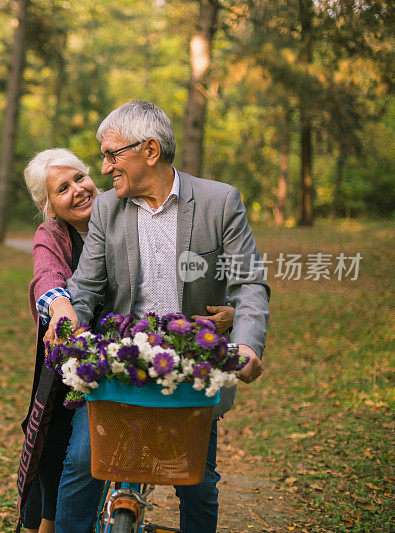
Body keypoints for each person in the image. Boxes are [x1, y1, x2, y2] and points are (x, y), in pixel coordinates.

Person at [47, 100, 269, 533]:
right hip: (120, 361)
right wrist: (69, 323)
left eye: (113, 154)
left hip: (190, 363)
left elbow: (248, 282)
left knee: (199, 485)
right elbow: (87, 287)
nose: (105, 166)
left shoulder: (219, 202)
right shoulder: (109, 209)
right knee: (78, 464)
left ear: (150, 150)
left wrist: (246, 344)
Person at [15, 148, 235, 533]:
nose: (78, 190)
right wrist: (61, 304)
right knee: (76, 460)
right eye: (62, 189)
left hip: (162, 348)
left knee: (198, 477)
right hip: (100, 360)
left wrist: (231, 310)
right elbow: (47, 277)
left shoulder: (128, 207)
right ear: (49, 207)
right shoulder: (53, 234)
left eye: (79, 178)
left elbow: (195, 271)